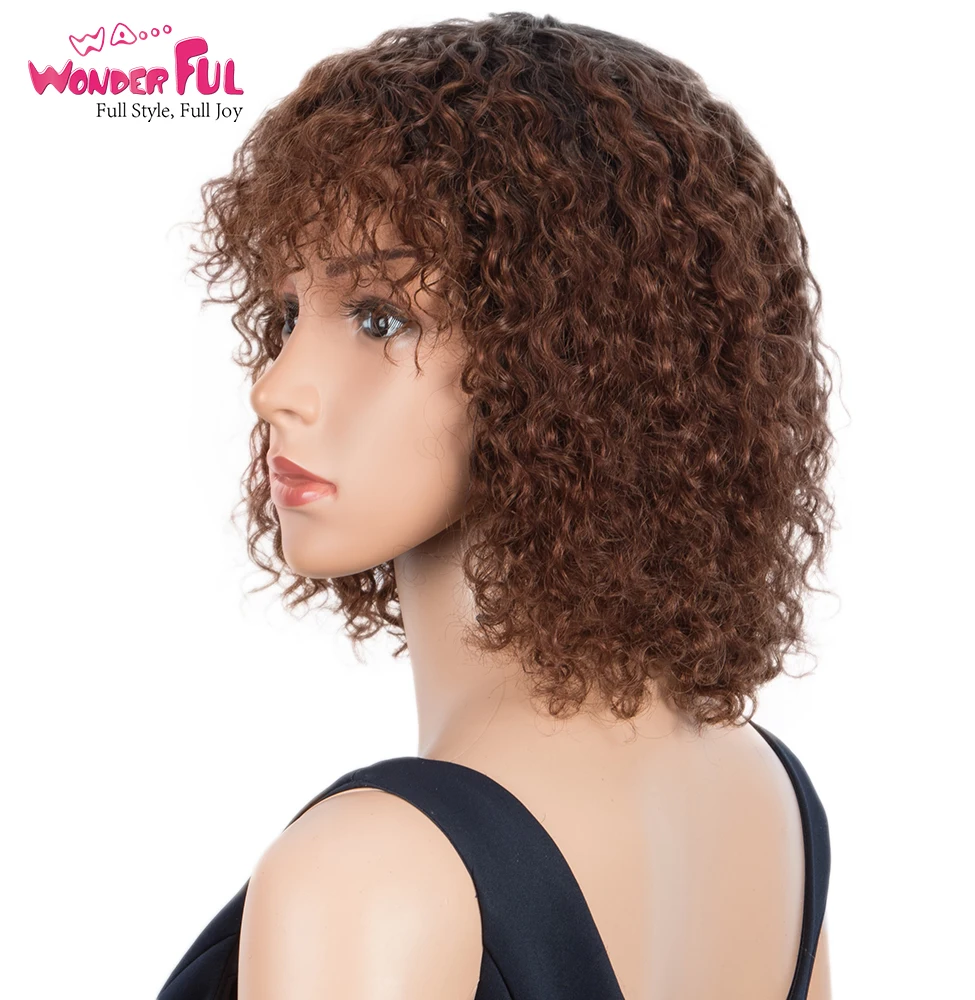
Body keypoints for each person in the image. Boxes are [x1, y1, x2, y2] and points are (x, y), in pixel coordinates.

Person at [159, 11, 835, 1000]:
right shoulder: (766, 798)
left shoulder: (369, 881)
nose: (275, 388)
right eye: (287, 313)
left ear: (574, 361)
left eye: (379, 317)